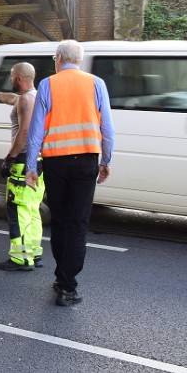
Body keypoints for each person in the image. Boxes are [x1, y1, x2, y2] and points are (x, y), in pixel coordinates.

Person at [25, 39, 115, 307]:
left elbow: (35, 131)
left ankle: (61, 277)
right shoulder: (96, 83)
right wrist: (106, 159)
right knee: (77, 223)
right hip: (86, 160)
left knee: (61, 221)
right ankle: (67, 285)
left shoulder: (47, 84)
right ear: (80, 60)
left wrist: (32, 166)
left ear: (58, 59)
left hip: (55, 163)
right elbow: (107, 127)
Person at [0, 62, 45, 271]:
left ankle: (21, 259)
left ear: (19, 79)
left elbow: (24, 133)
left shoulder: (25, 100)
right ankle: (33, 254)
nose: (10, 80)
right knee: (32, 211)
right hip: (38, 163)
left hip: (22, 162)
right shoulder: (36, 96)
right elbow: (11, 99)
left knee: (18, 211)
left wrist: (9, 159)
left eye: (12, 76)